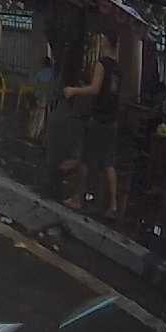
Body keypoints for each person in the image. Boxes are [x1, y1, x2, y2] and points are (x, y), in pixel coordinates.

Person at [63, 30, 121, 218]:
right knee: (109, 163)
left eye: (102, 39)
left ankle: (78, 199)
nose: (100, 41)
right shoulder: (118, 68)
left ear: (106, 42)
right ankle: (113, 206)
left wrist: (74, 91)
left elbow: (95, 89)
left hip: (98, 119)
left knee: (85, 160)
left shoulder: (102, 64)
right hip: (112, 120)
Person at [26, 56, 55, 142]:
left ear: (43, 64)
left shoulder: (40, 72)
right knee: (43, 116)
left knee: (36, 115)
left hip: (39, 97)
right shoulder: (52, 73)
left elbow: (34, 84)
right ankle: (39, 134)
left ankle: (33, 134)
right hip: (47, 98)